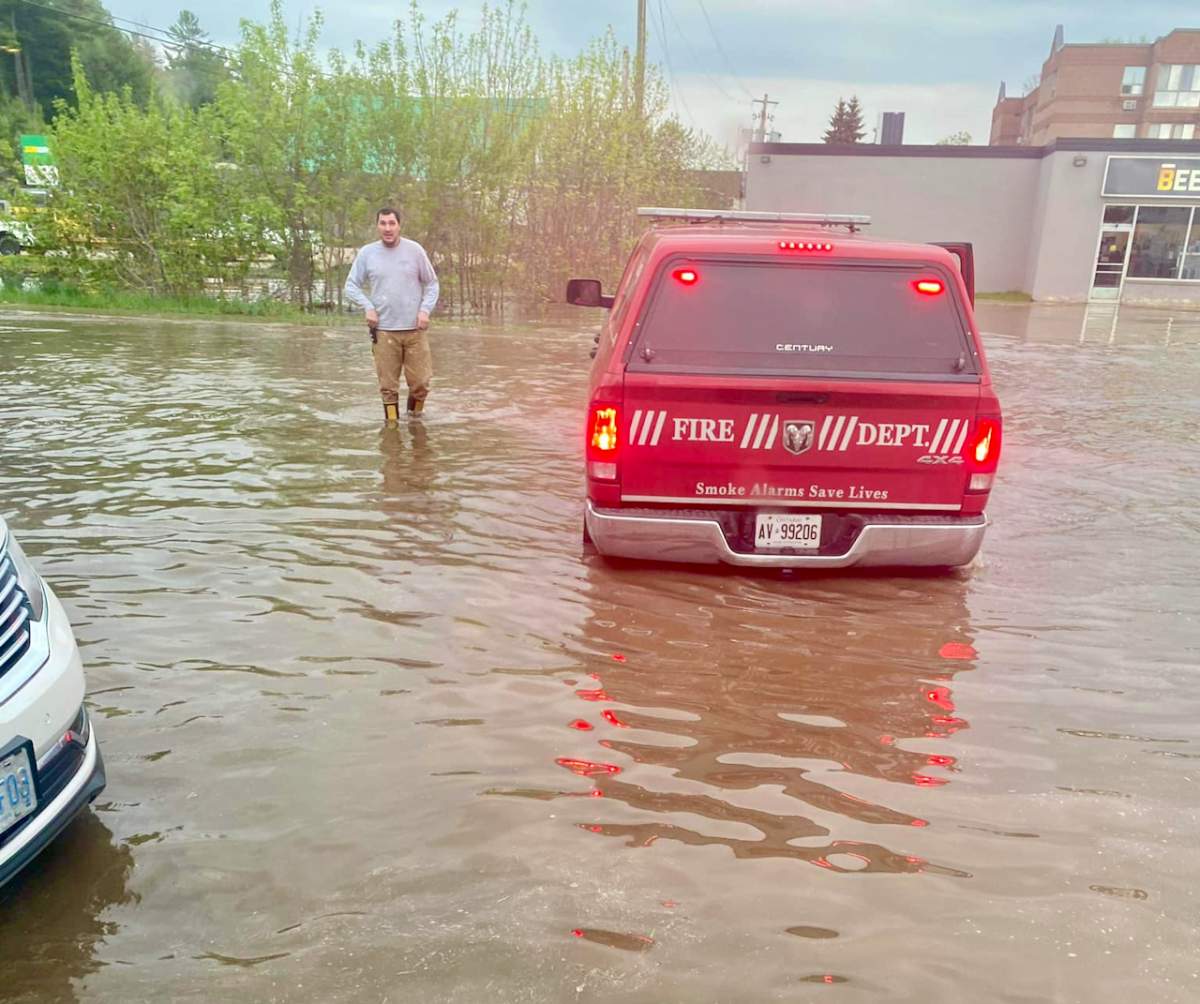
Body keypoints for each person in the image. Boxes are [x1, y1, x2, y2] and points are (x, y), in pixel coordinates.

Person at [344, 208, 440, 421]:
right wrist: (367, 306)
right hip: (384, 331)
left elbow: (432, 283)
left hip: (415, 330)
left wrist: (425, 310)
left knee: (421, 383)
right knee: (388, 388)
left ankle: (415, 422)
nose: (387, 228)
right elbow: (351, 286)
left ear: (399, 225)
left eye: (391, 223)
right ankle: (392, 429)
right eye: (383, 223)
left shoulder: (414, 250)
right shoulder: (368, 253)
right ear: (377, 226)